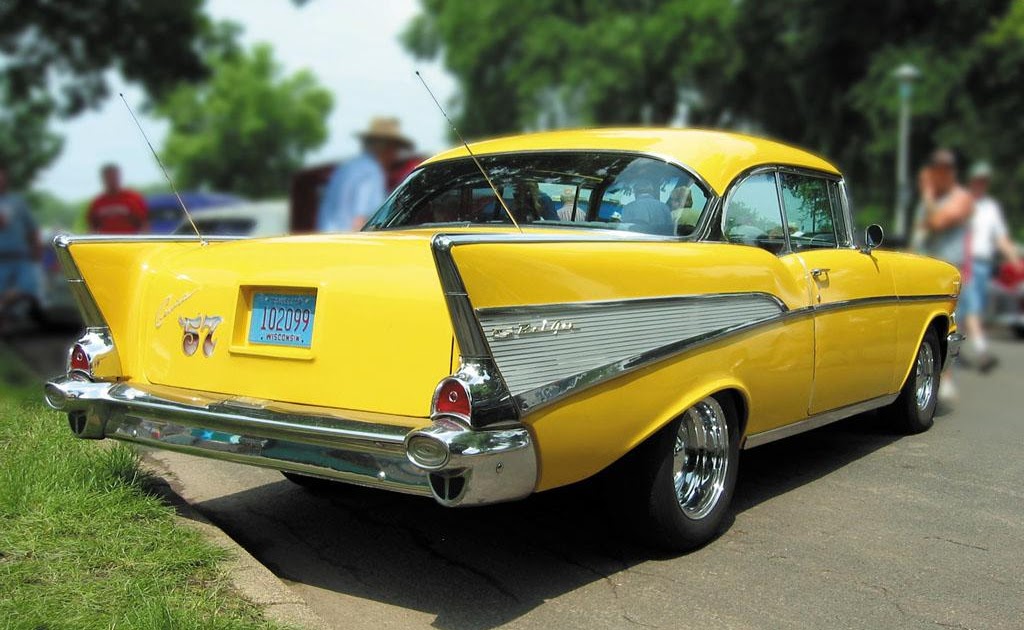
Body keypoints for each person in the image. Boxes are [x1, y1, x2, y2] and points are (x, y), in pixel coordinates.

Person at [917, 148, 974, 403]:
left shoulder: (962, 197)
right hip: (930, 269)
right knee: (927, 326)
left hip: (953, 271)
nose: (940, 174)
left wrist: (928, 194)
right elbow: (922, 227)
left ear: (951, 172)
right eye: (936, 168)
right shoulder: (930, 200)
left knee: (947, 324)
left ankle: (945, 379)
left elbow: (937, 222)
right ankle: (933, 378)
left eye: (945, 169)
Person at [961, 162, 1022, 371]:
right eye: (978, 180)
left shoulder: (991, 208)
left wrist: (1014, 259)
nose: (981, 184)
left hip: (984, 266)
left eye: (984, 181)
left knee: (968, 310)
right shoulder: (963, 203)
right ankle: (981, 351)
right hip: (965, 263)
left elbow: (1000, 238)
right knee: (973, 308)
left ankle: (952, 351)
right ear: (972, 182)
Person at [317, 117, 413, 232]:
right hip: (348, 243)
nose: (395, 155)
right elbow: (360, 221)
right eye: (395, 149)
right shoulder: (371, 172)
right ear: (386, 148)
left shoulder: (346, 167)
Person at [0, 163, 42, 328]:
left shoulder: (18, 202)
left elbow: (31, 228)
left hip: (20, 255)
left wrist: (37, 248)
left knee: (27, 287)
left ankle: (5, 308)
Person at [87, 163, 149, 234]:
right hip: (105, 243)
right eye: (108, 177)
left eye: (114, 176)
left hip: (129, 242)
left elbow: (144, 224)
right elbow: (91, 227)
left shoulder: (133, 198)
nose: (111, 180)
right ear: (104, 179)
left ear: (119, 176)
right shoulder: (97, 202)